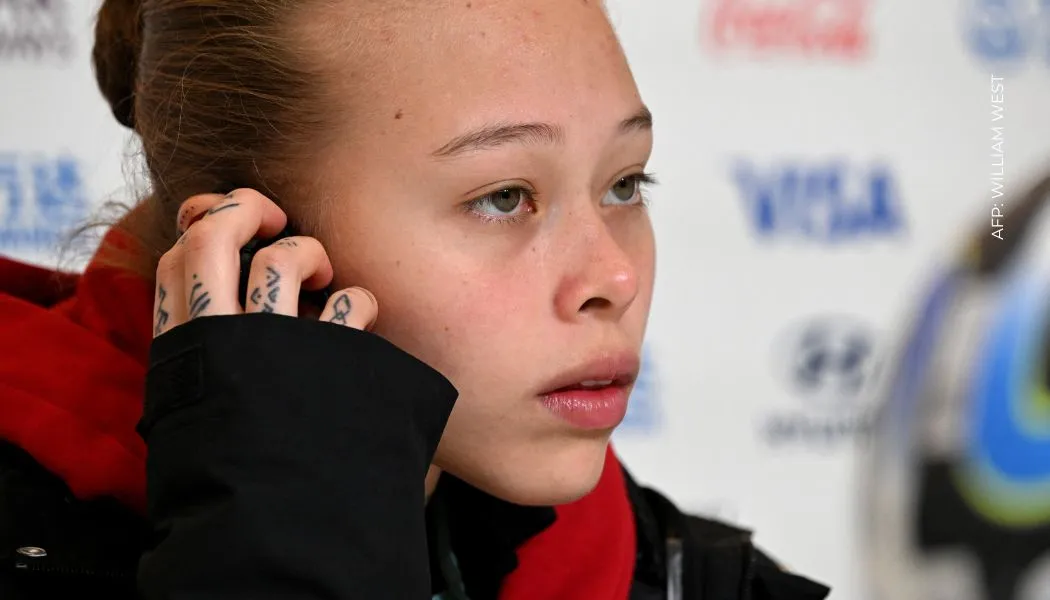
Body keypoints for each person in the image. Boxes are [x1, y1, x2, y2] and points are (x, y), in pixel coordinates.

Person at [0, 0, 832, 598]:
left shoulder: (683, 572)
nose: (613, 277)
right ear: (249, 234)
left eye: (623, 182)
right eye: (504, 197)